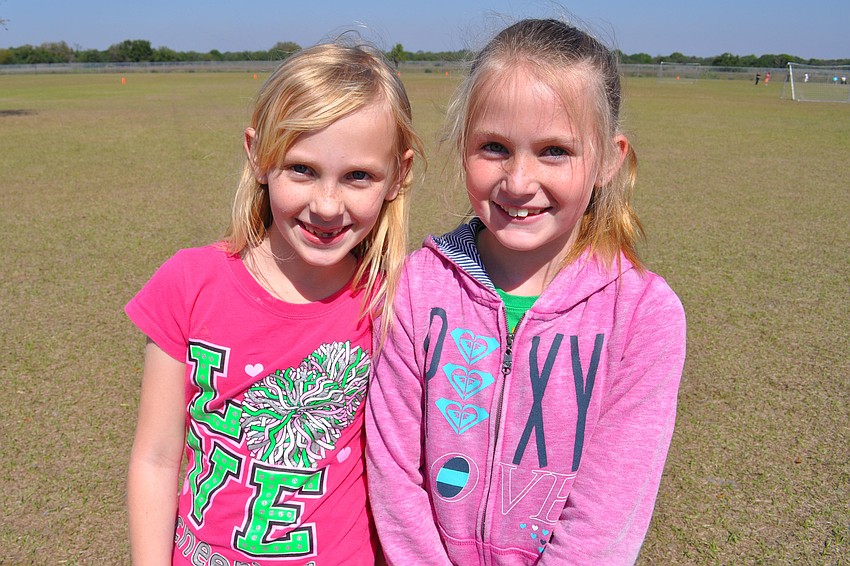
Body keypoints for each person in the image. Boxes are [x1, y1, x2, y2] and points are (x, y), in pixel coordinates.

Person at [366, 18, 686, 565]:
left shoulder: (644, 315)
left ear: (609, 159)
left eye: (554, 150)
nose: (518, 181)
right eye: (494, 146)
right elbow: (394, 471)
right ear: (463, 144)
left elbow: (608, 516)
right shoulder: (417, 284)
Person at [126, 39, 421, 565]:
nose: (327, 205)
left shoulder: (396, 303)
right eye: (302, 169)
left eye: (358, 176)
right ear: (258, 155)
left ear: (398, 175)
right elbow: (155, 456)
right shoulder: (189, 282)